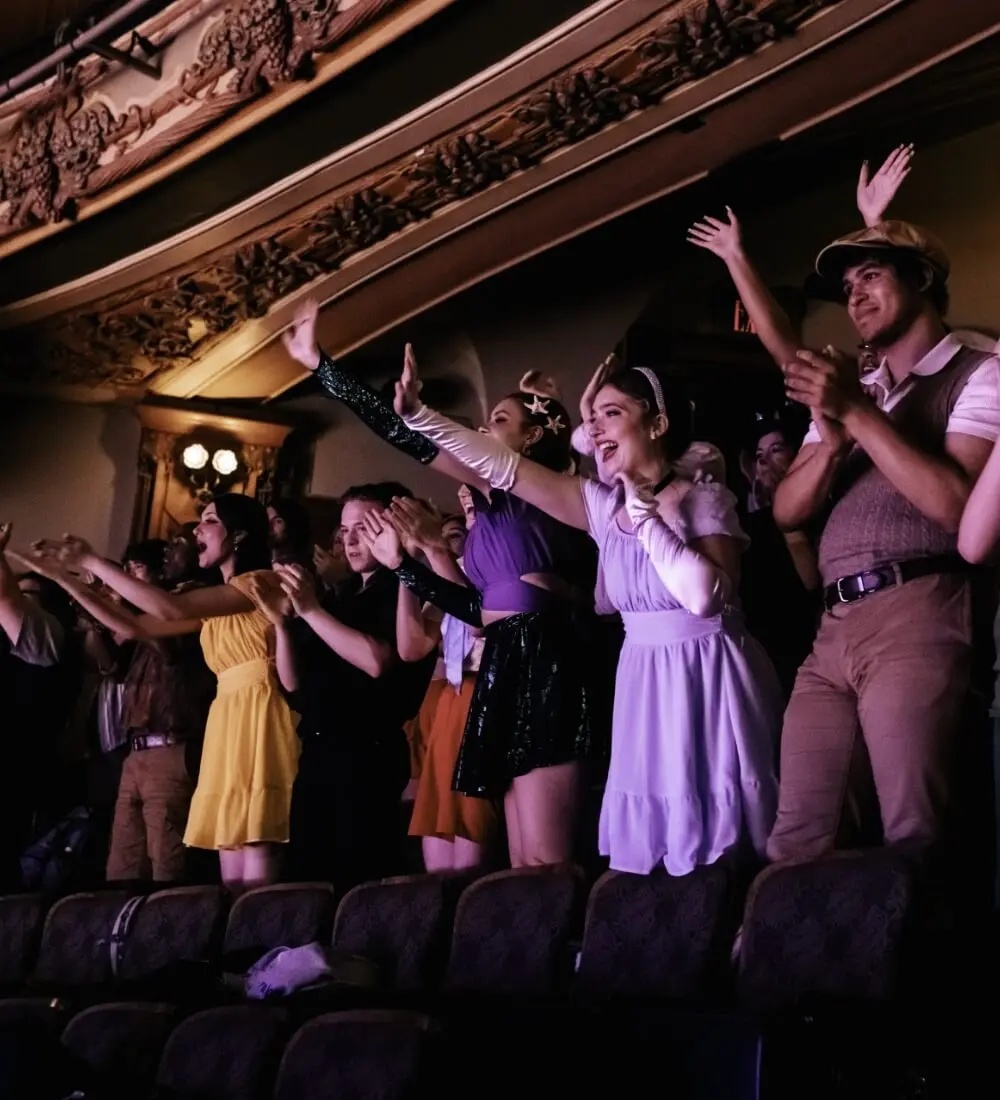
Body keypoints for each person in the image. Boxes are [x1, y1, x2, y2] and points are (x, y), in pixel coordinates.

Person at [384, 351, 781, 876]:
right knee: (652, 846)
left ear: (658, 424)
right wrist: (418, 416)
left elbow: (707, 597)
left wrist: (647, 520)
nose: (595, 427)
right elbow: (501, 465)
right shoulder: (597, 503)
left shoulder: (702, 499)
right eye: (592, 418)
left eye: (612, 413)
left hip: (705, 669)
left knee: (718, 833)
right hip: (643, 677)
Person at [282, 302, 602, 868]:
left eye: (498, 420)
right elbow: (476, 612)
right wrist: (405, 566)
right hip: (503, 656)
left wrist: (327, 370)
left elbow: (408, 435)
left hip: (545, 658)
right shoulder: (490, 503)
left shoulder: (538, 494)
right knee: (523, 864)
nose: (482, 429)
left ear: (532, 438)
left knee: (548, 864)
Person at [766, 220, 1000, 866]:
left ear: (922, 279)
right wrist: (832, 442)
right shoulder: (857, 388)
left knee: (913, 834)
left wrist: (857, 414)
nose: (855, 297)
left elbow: (958, 510)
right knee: (797, 840)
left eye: (871, 276)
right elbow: (787, 510)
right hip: (832, 625)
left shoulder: (978, 373)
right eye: (848, 287)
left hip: (919, 606)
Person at [20, 495, 300, 893]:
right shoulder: (218, 598)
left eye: (209, 520)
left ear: (238, 534)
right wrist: (66, 580)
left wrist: (92, 560)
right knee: (231, 866)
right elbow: (135, 628)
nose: (197, 529)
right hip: (228, 719)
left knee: (254, 853)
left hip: (260, 714)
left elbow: (170, 609)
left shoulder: (258, 584)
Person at [256, 482, 436, 891]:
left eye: (362, 529)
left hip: (367, 753)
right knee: (306, 881)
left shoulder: (405, 588)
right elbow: (295, 687)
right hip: (318, 750)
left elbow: (377, 661)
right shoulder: (343, 595)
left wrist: (310, 610)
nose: (349, 541)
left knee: (354, 880)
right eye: (344, 530)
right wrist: (282, 624)